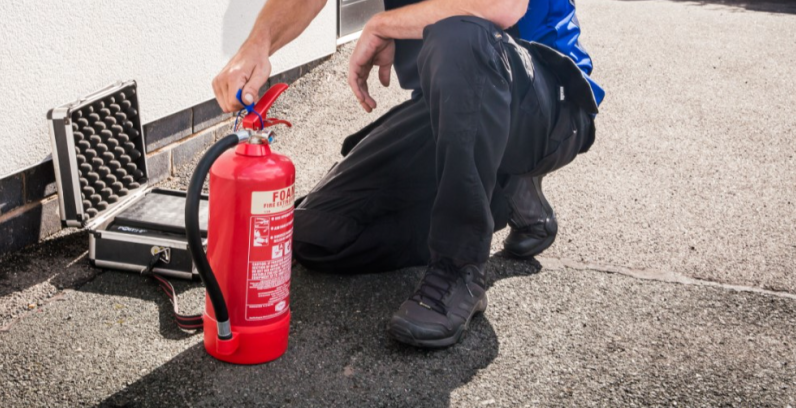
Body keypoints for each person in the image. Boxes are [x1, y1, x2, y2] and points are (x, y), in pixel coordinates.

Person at [212, 0, 604, 348]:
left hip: (551, 105)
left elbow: (498, 6)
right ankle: (504, 188)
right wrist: (257, 44)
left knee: (461, 34)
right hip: (455, 116)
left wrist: (383, 24)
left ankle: (458, 268)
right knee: (320, 234)